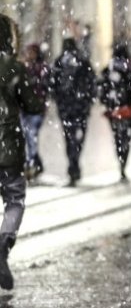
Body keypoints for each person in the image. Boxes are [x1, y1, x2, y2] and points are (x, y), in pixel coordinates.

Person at [0, 14, 43, 289]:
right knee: (15, 199)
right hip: (9, 148)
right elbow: (34, 106)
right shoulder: (15, 69)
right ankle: (2, 245)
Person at [50, 38, 97, 187]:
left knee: (69, 137)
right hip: (80, 108)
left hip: (66, 108)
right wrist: (88, 101)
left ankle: (72, 164)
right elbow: (92, 83)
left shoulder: (59, 62)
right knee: (78, 138)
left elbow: (53, 85)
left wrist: (59, 101)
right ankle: (74, 163)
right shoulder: (83, 62)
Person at [99, 44, 131, 181]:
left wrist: (107, 102)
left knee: (117, 137)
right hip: (129, 110)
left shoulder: (109, 68)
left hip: (114, 110)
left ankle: (120, 157)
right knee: (126, 137)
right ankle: (123, 161)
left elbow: (102, 87)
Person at [21, 43, 50, 181]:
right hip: (25, 109)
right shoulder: (25, 68)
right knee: (27, 137)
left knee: (31, 137)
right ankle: (34, 164)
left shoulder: (41, 68)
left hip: (36, 110)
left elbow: (45, 87)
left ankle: (31, 165)